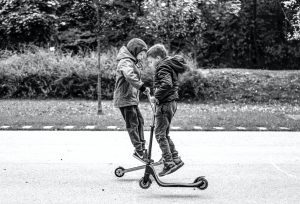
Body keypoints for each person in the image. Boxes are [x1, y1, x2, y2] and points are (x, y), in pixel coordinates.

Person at [146, 44, 188, 177]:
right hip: (171, 103)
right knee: (164, 134)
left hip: (165, 104)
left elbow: (167, 84)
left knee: (159, 134)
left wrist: (156, 97)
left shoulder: (163, 67)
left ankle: (169, 163)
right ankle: (175, 158)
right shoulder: (168, 65)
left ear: (158, 58)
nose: (150, 65)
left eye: (151, 61)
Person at [113, 38, 150, 163]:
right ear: (135, 51)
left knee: (140, 121)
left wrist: (142, 89)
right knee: (133, 124)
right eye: (140, 54)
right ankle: (139, 150)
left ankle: (142, 148)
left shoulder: (132, 61)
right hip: (125, 99)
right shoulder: (125, 62)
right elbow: (129, 75)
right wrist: (142, 87)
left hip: (131, 99)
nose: (142, 57)